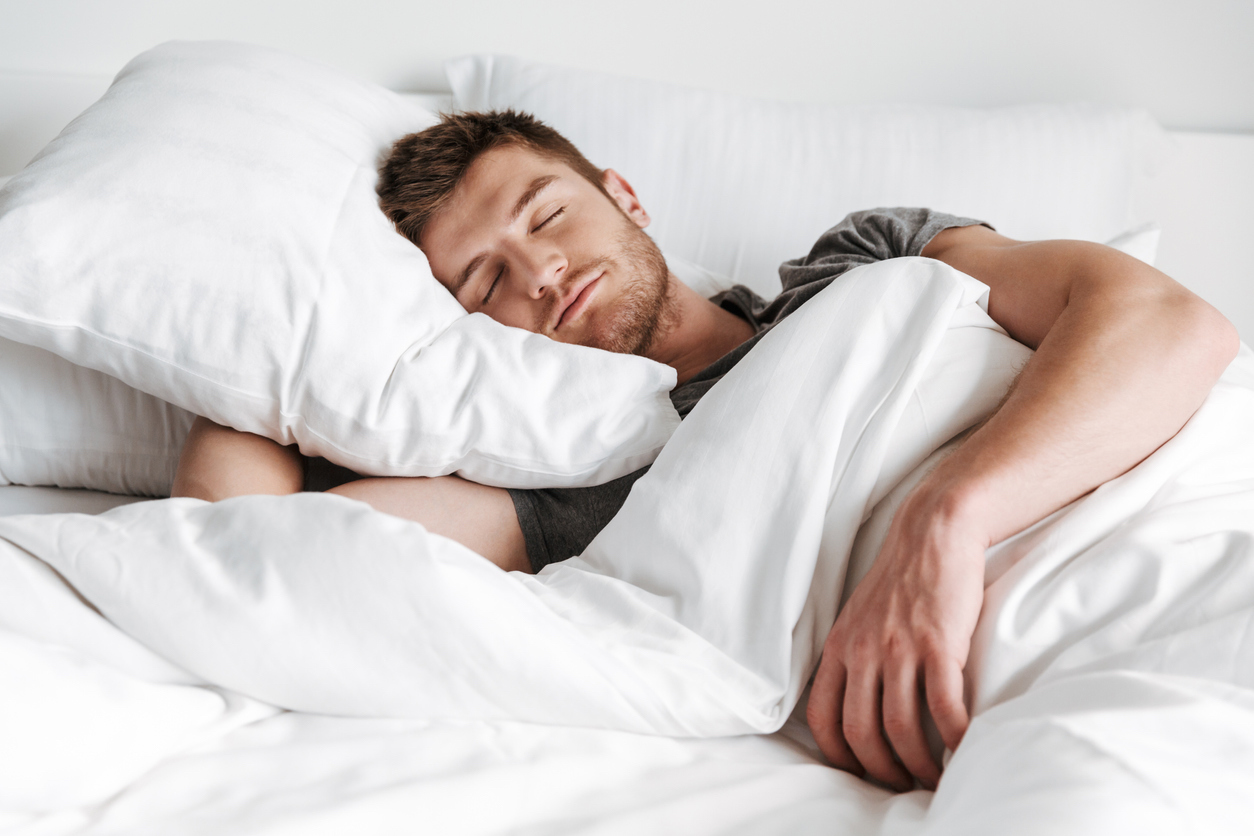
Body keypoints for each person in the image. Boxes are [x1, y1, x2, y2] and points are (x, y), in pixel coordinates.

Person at [172, 109, 1239, 793]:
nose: (539, 273)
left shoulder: (861, 264)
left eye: (547, 216)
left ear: (625, 196)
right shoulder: (585, 489)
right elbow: (244, 544)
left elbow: (1165, 323)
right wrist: (280, 347)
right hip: (1037, 696)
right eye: (485, 282)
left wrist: (948, 517)